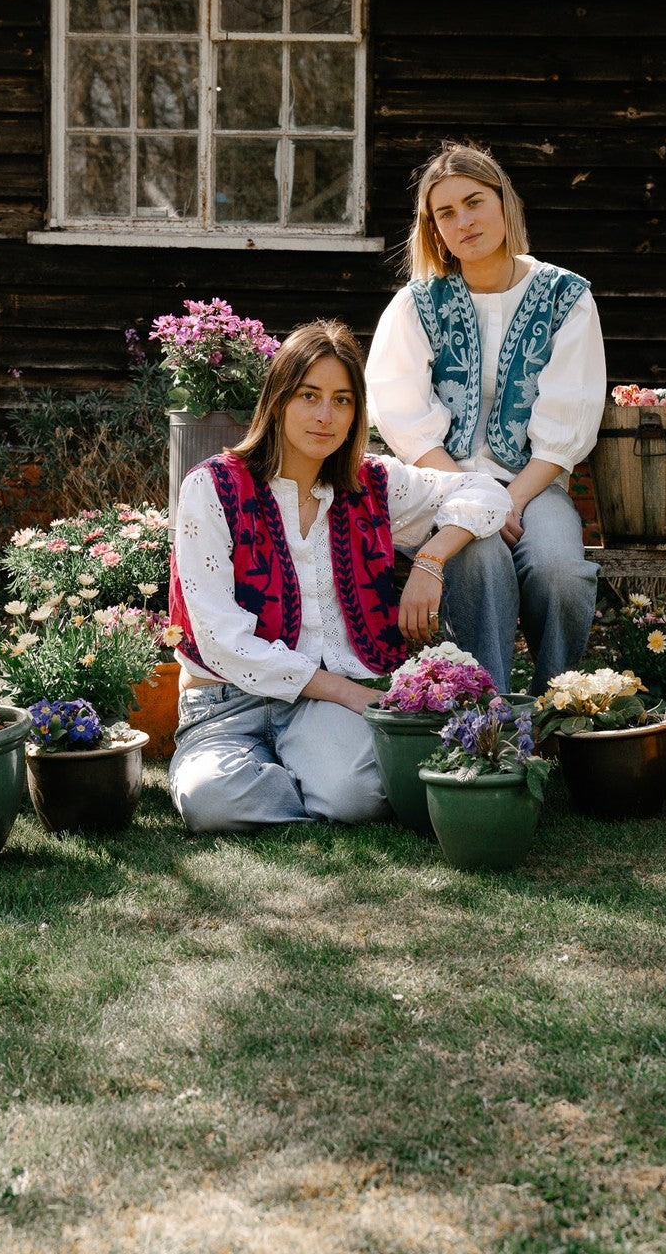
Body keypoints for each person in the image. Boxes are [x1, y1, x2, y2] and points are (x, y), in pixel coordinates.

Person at [168, 318, 511, 833]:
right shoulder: (212, 488)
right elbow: (221, 640)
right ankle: (291, 780)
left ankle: (308, 779)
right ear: (278, 400)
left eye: (343, 400)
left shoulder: (370, 482)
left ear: (356, 414)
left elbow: (485, 491)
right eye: (309, 395)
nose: (325, 415)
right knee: (212, 802)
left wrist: (430, 559)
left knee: (356, 797)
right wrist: (350, 694)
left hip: (320, 707)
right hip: (226, 701)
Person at [366, 143, 606, 695]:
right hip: (443, 484)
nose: (463, 221)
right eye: (445, 213)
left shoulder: (565, 296)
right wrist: (472, 495)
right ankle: (486, 718)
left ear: (504, 203)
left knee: (560, 573)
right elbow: (402, 413)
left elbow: (567, 421)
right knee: (479, 559)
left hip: (535, 488)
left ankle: (557, 709)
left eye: (473, 202)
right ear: (433, 229)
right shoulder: (417, 303)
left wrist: (511, 500)